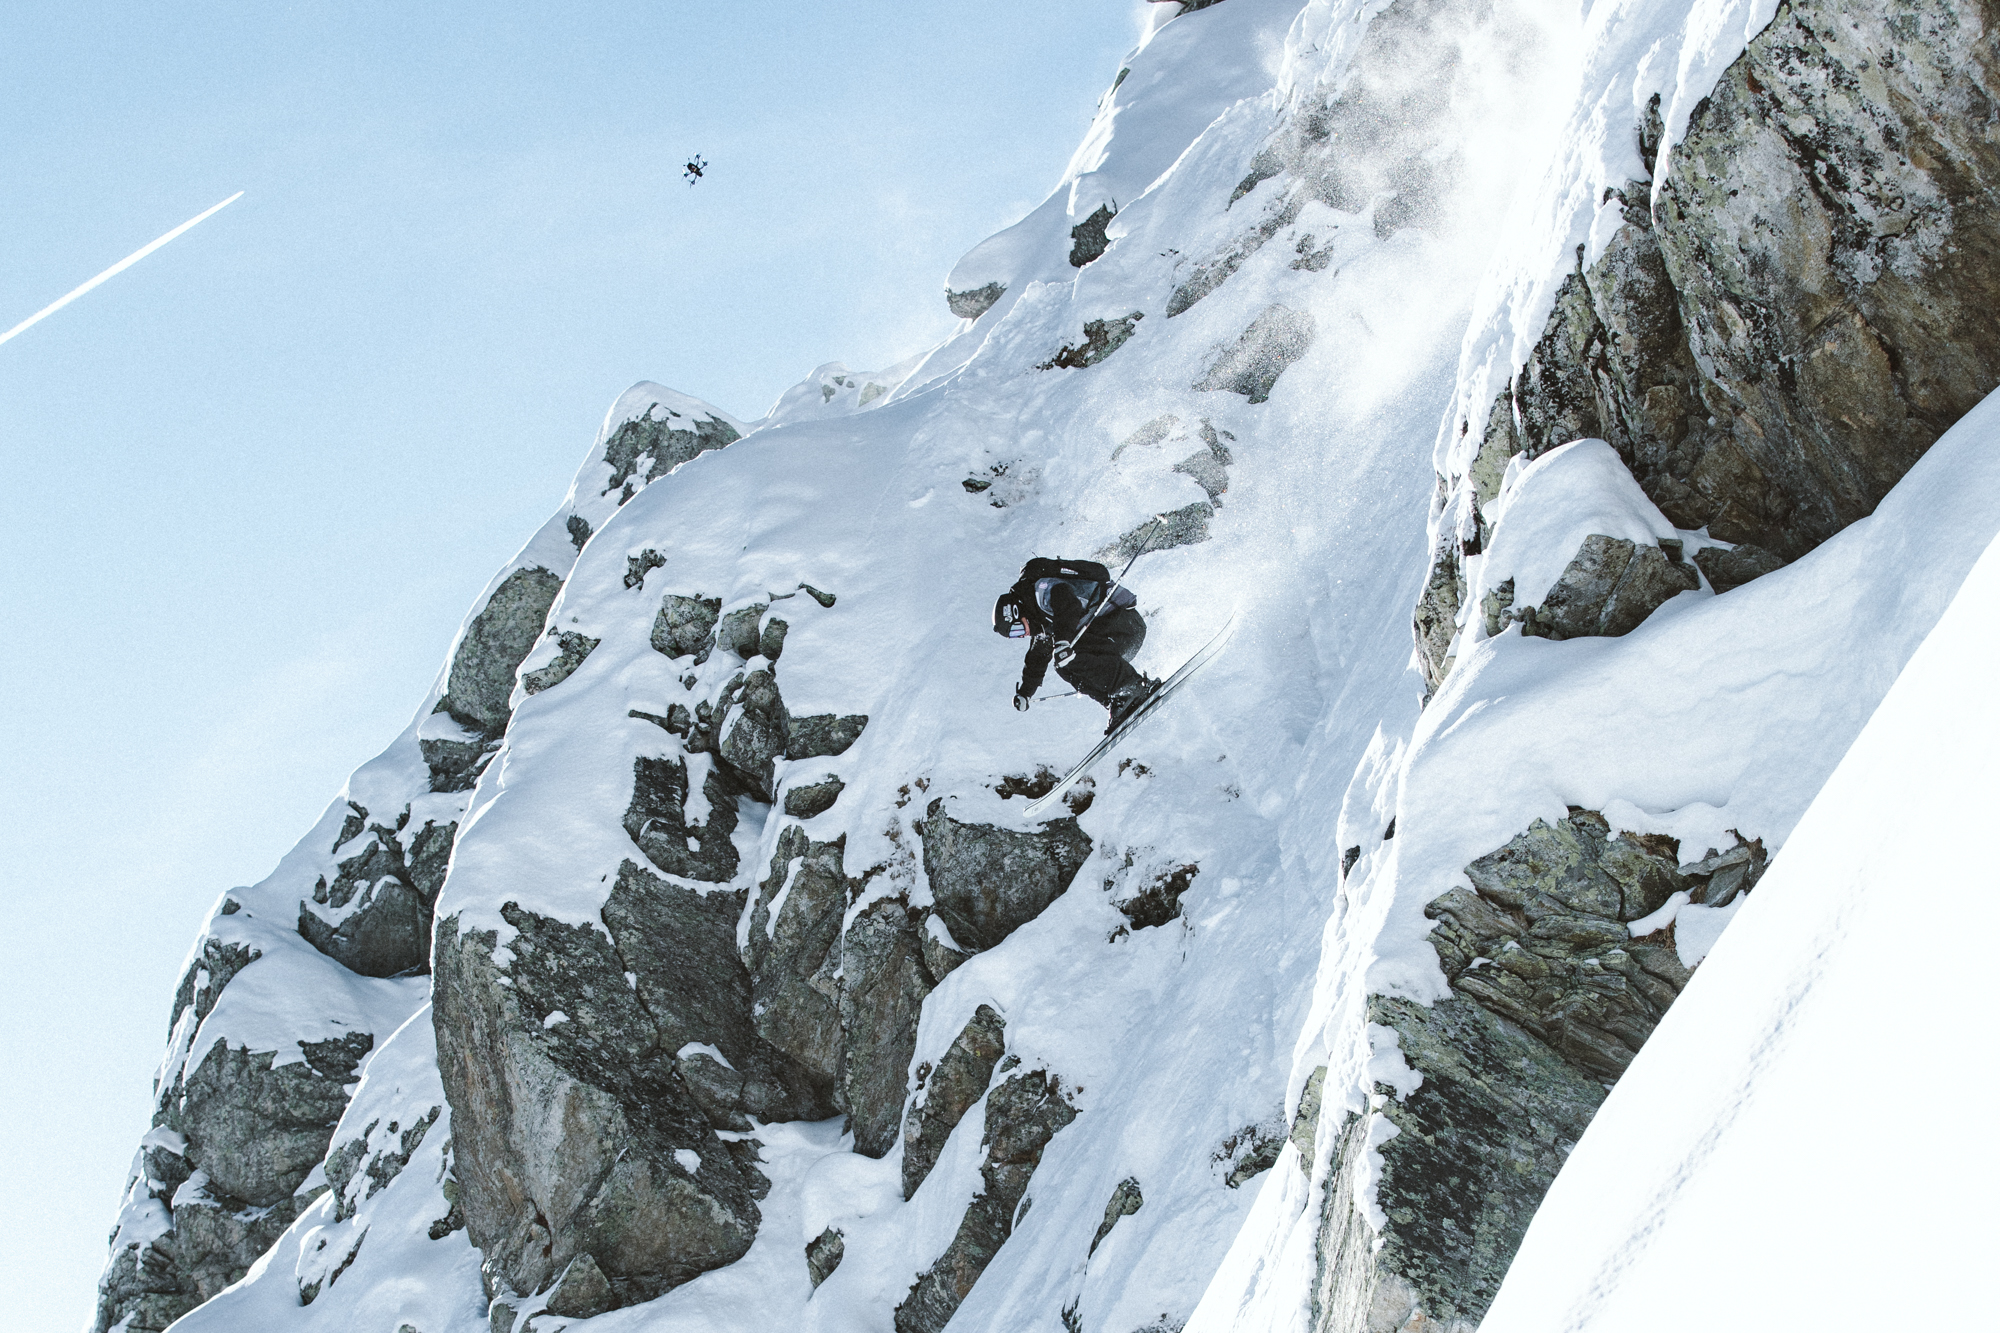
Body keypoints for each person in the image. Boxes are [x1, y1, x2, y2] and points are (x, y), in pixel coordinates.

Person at [993, 557, 1159, 733]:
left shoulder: (1042, 591)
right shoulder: (1040, 621)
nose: (1022, 634)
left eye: (1017, 629)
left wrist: (1063, 642)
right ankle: (1118, 699)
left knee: (1069, 654)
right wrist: (1025, 692)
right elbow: (1037, 658)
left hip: (1124, 624)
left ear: (1017, 611)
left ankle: (1132, 687)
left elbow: (1068, 604)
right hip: (1113, 636)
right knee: (1063, 665)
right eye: (1015, 635)